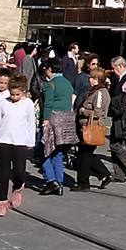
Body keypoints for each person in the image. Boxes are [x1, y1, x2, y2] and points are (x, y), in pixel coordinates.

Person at [0, 75, 37, 217]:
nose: (14, 97)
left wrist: (31, 142)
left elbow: (31, 123)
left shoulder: (28, 104)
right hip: (3, 141)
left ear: (23, 91)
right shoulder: (3, 103)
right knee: (3, 172)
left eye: (17, 94)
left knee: (19, 172)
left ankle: (18, 187)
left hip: (20, 142)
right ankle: (1, 201)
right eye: (12, 94)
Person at [34, 60, 76, 194]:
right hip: (67, 120)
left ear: (50, 69)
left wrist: (45, 120)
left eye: (46, 69)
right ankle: (59, 182)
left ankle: (50, 180)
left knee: (42, 150)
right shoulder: (67, 83)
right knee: (58, 152)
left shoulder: (50, 84)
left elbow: (48, 104)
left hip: (53, 119)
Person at [75, 70, 113, 190]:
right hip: (85, 126)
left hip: (92, 127)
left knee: (85, 155)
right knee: (85, 154)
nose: (89, 80)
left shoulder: (101, 93)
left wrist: (83, 111)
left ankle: (84, 182)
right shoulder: (95, 91)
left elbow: (98, 112)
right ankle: (102, 174)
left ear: (97, 80)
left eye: (92, 78)